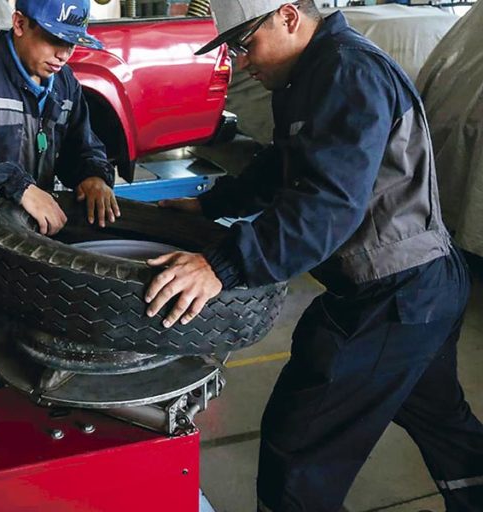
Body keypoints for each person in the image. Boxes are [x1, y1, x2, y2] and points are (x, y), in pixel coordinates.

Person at [144, 0, 483, 510]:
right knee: (446, 429)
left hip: (395, 296)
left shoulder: (348, 72)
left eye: (245, 44)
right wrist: (210, 204)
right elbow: (285, 165)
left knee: (298, 449)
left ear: (287, 16)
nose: (240, 62)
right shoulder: (310, 75)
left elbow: (327, 205)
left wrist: (222, 265)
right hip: (419, 289)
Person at [0, 0, 120, 390]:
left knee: (26, 366)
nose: (64, 54)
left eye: (72, 43)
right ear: (19, 23)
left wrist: (94, 175)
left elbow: (83, 147)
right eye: (53, 40)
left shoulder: (64, 84)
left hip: (27, 253)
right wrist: (18, 186)